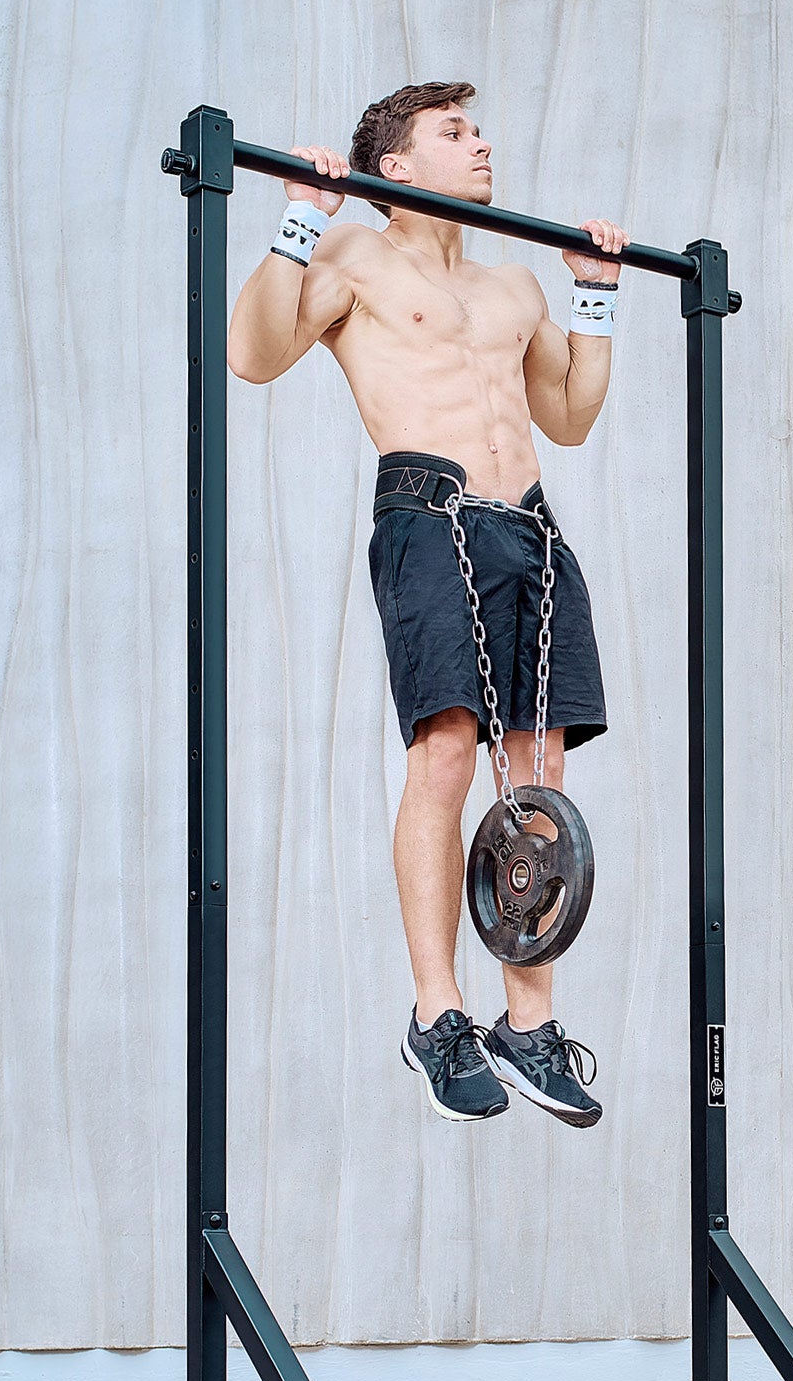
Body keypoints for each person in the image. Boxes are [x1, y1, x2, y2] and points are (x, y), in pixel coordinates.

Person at [227, 80, 628, 1130]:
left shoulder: (514, 286)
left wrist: (592, 294)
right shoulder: (354, 260)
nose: (482, 144)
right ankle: (438, 1012)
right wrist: (300, 218)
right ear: (394, 169)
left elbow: (572, 416)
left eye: (482, 128)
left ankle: (528, 1023)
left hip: (530, 529)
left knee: (536, 782)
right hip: (430, 514)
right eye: (455, 133)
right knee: (448, 753)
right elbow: (253, 355)